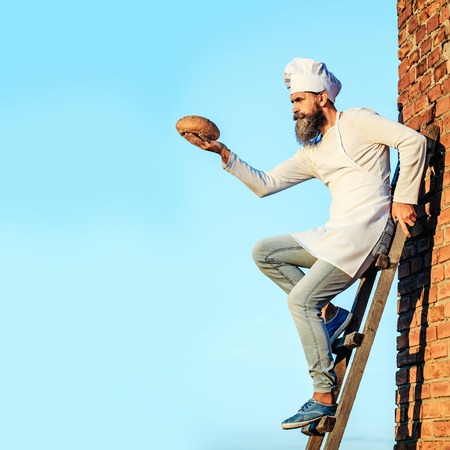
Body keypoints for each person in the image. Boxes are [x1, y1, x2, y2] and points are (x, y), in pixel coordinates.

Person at [182, 58, 427, 429]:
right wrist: (223, 153)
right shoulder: (313, 150)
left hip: (366, 232)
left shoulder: (358, 120)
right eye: (292, 103)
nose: (294, 110)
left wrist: (403, 197)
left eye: (299, 100)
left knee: (300, 301)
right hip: (336, 233)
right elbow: (265, 184)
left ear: (323, 97)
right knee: (265, 252)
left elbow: (412, 141)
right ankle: (332, 316)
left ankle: (322, 396)